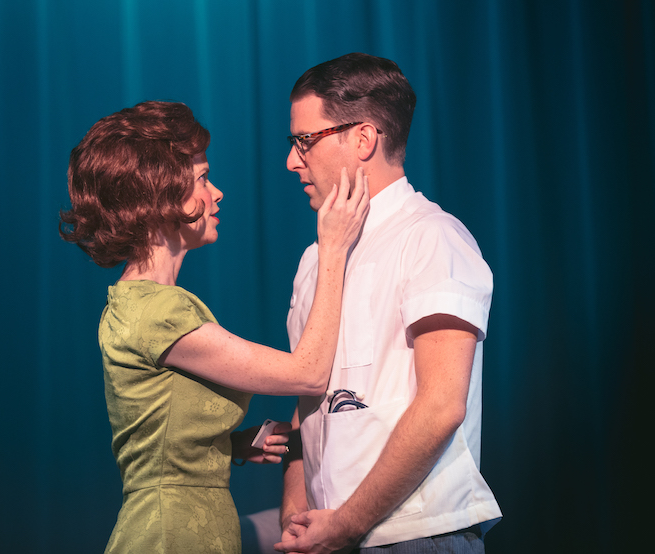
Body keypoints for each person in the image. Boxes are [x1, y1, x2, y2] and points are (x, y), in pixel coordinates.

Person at [59, 100, 369, 554]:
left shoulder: (135, 305)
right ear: (160, 194)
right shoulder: (158, 311)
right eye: (203, 179)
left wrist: (232, 445)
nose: (217, 193)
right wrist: (334, 247)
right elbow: (307, 373)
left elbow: (155, 439)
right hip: (170, 537)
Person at [275, 53, 502, 554]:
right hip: (329, 534)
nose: (292, 160)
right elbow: (309, 398)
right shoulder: (315, 259)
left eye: (304, 141)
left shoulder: (432, 238)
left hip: (414, 535)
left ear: (362, 138)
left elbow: (442, 405)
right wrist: (295, 508)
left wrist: (349, 522)